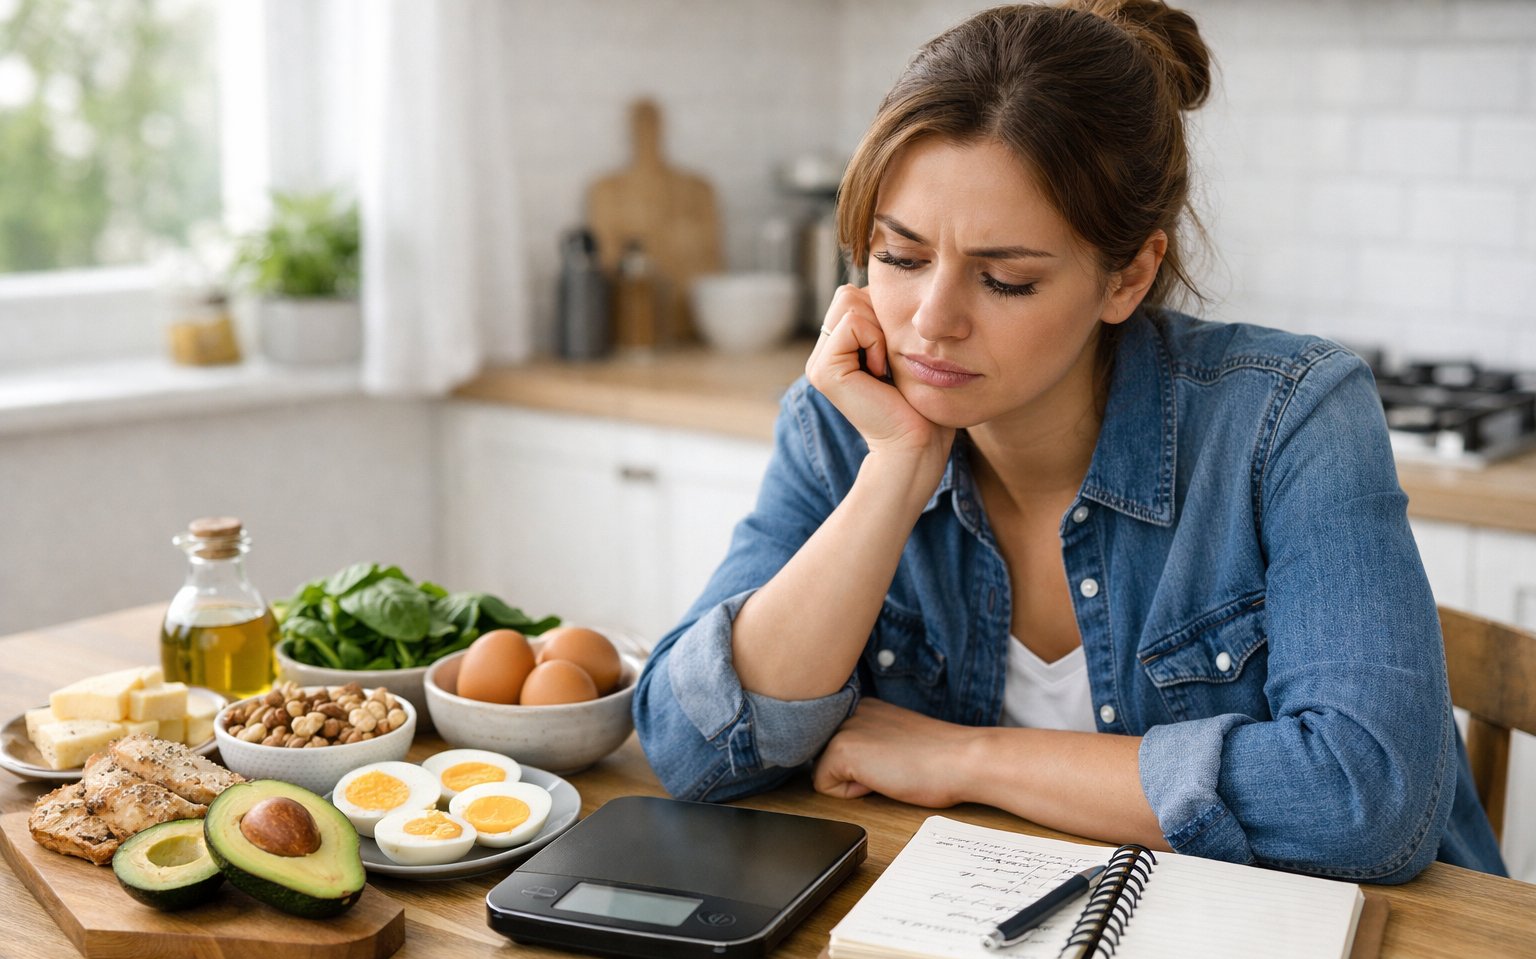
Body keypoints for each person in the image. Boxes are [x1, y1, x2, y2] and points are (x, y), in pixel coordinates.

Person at [633, 0, 1506, 883]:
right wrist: (896, 472)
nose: (930, 324)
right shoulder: (841, 418)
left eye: (1005, 279)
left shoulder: (1290, 419)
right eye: (898, 258)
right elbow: (691, 750)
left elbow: (1363, 803)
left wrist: (968, 758)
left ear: (1128, 276)